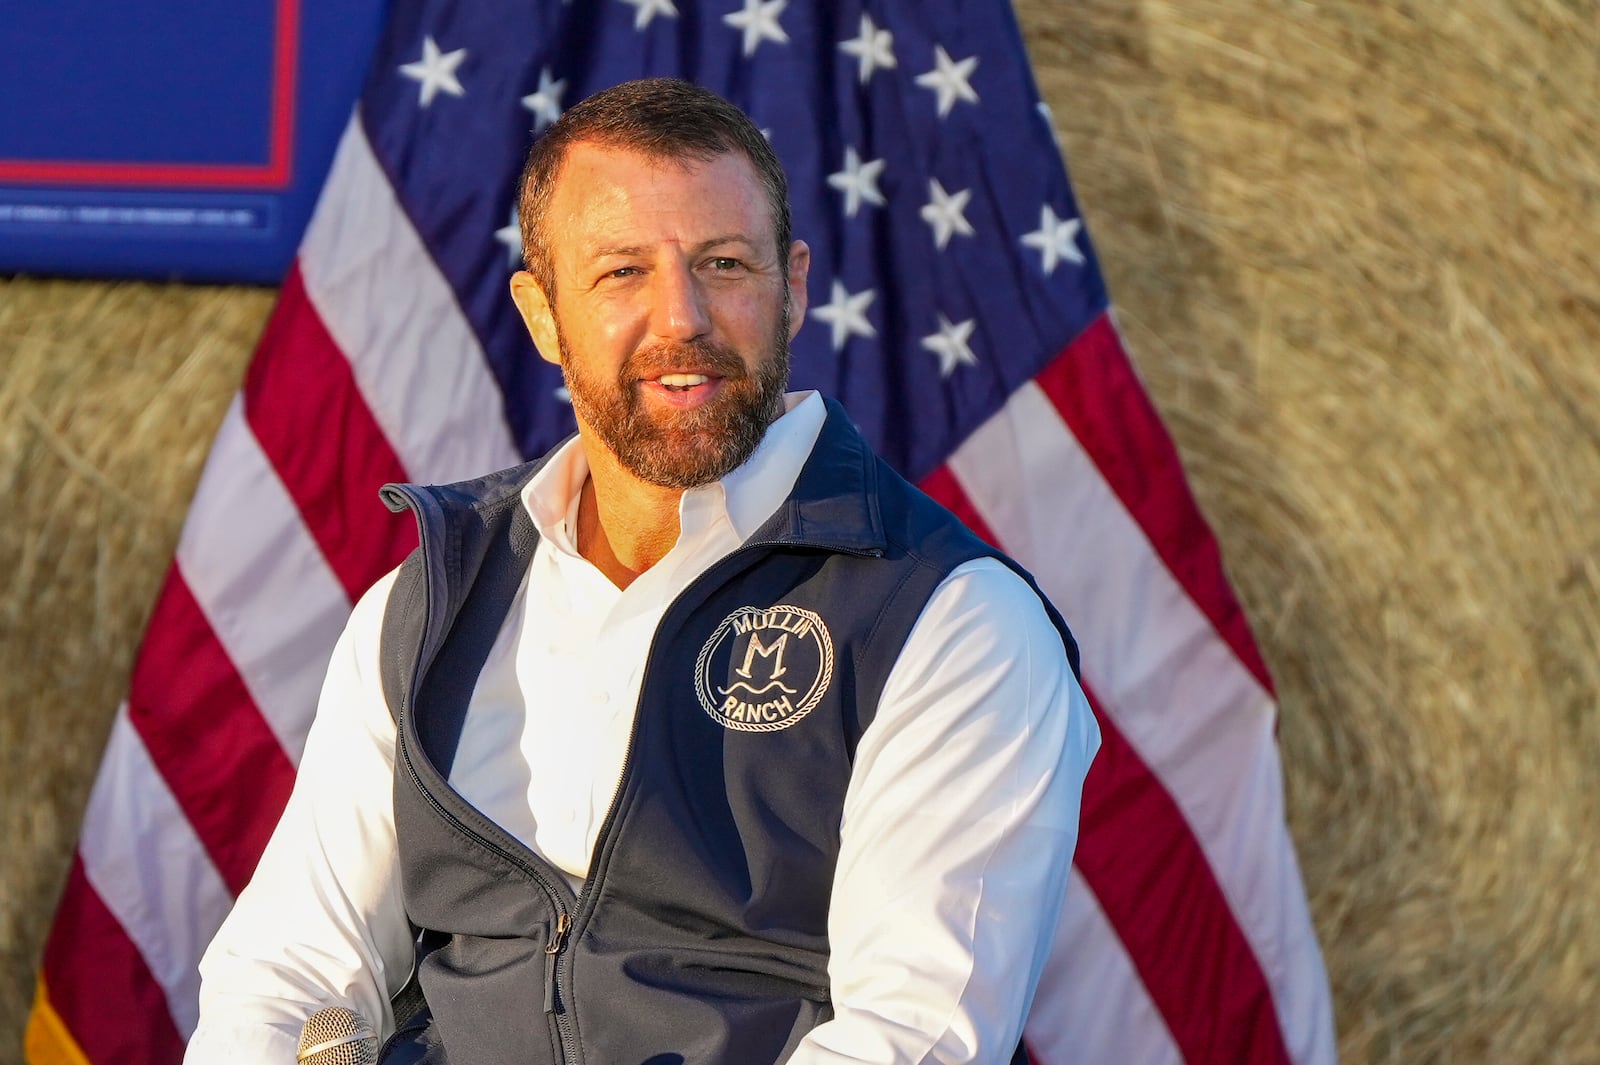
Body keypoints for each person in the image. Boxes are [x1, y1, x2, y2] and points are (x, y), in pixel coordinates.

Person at [185, 78, 1100, 1065]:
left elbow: (914, 1037)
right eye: (622, 272)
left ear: (792, 288)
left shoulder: (950, 619)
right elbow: (290, 972)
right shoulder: (425, 610)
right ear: (541, 313)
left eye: (723, 263)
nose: (682, 317)